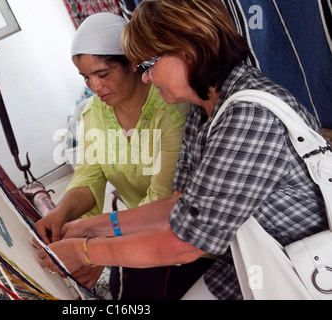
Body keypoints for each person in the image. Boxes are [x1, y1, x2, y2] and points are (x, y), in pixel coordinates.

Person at [38, 0, 328, 300]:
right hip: (254, 251)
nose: (146, 78)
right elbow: (179, 204)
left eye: (149, 65)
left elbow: (187, 241)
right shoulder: (204, 108)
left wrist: (86, 251)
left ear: (186, 53)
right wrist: (91, 227)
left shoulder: (247, 117)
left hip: (301, 265)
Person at [34, 12, 194, 299]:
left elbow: (161, 201)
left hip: (179, 238)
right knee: (122, 286)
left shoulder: (171, 110)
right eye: (86, 77)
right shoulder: (95, 112)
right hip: (129, 229)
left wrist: (93, 249)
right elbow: (89, 177)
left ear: (132, 63)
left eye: (102, 74)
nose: (94, 87)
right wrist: (61, 214)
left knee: (140, 291)